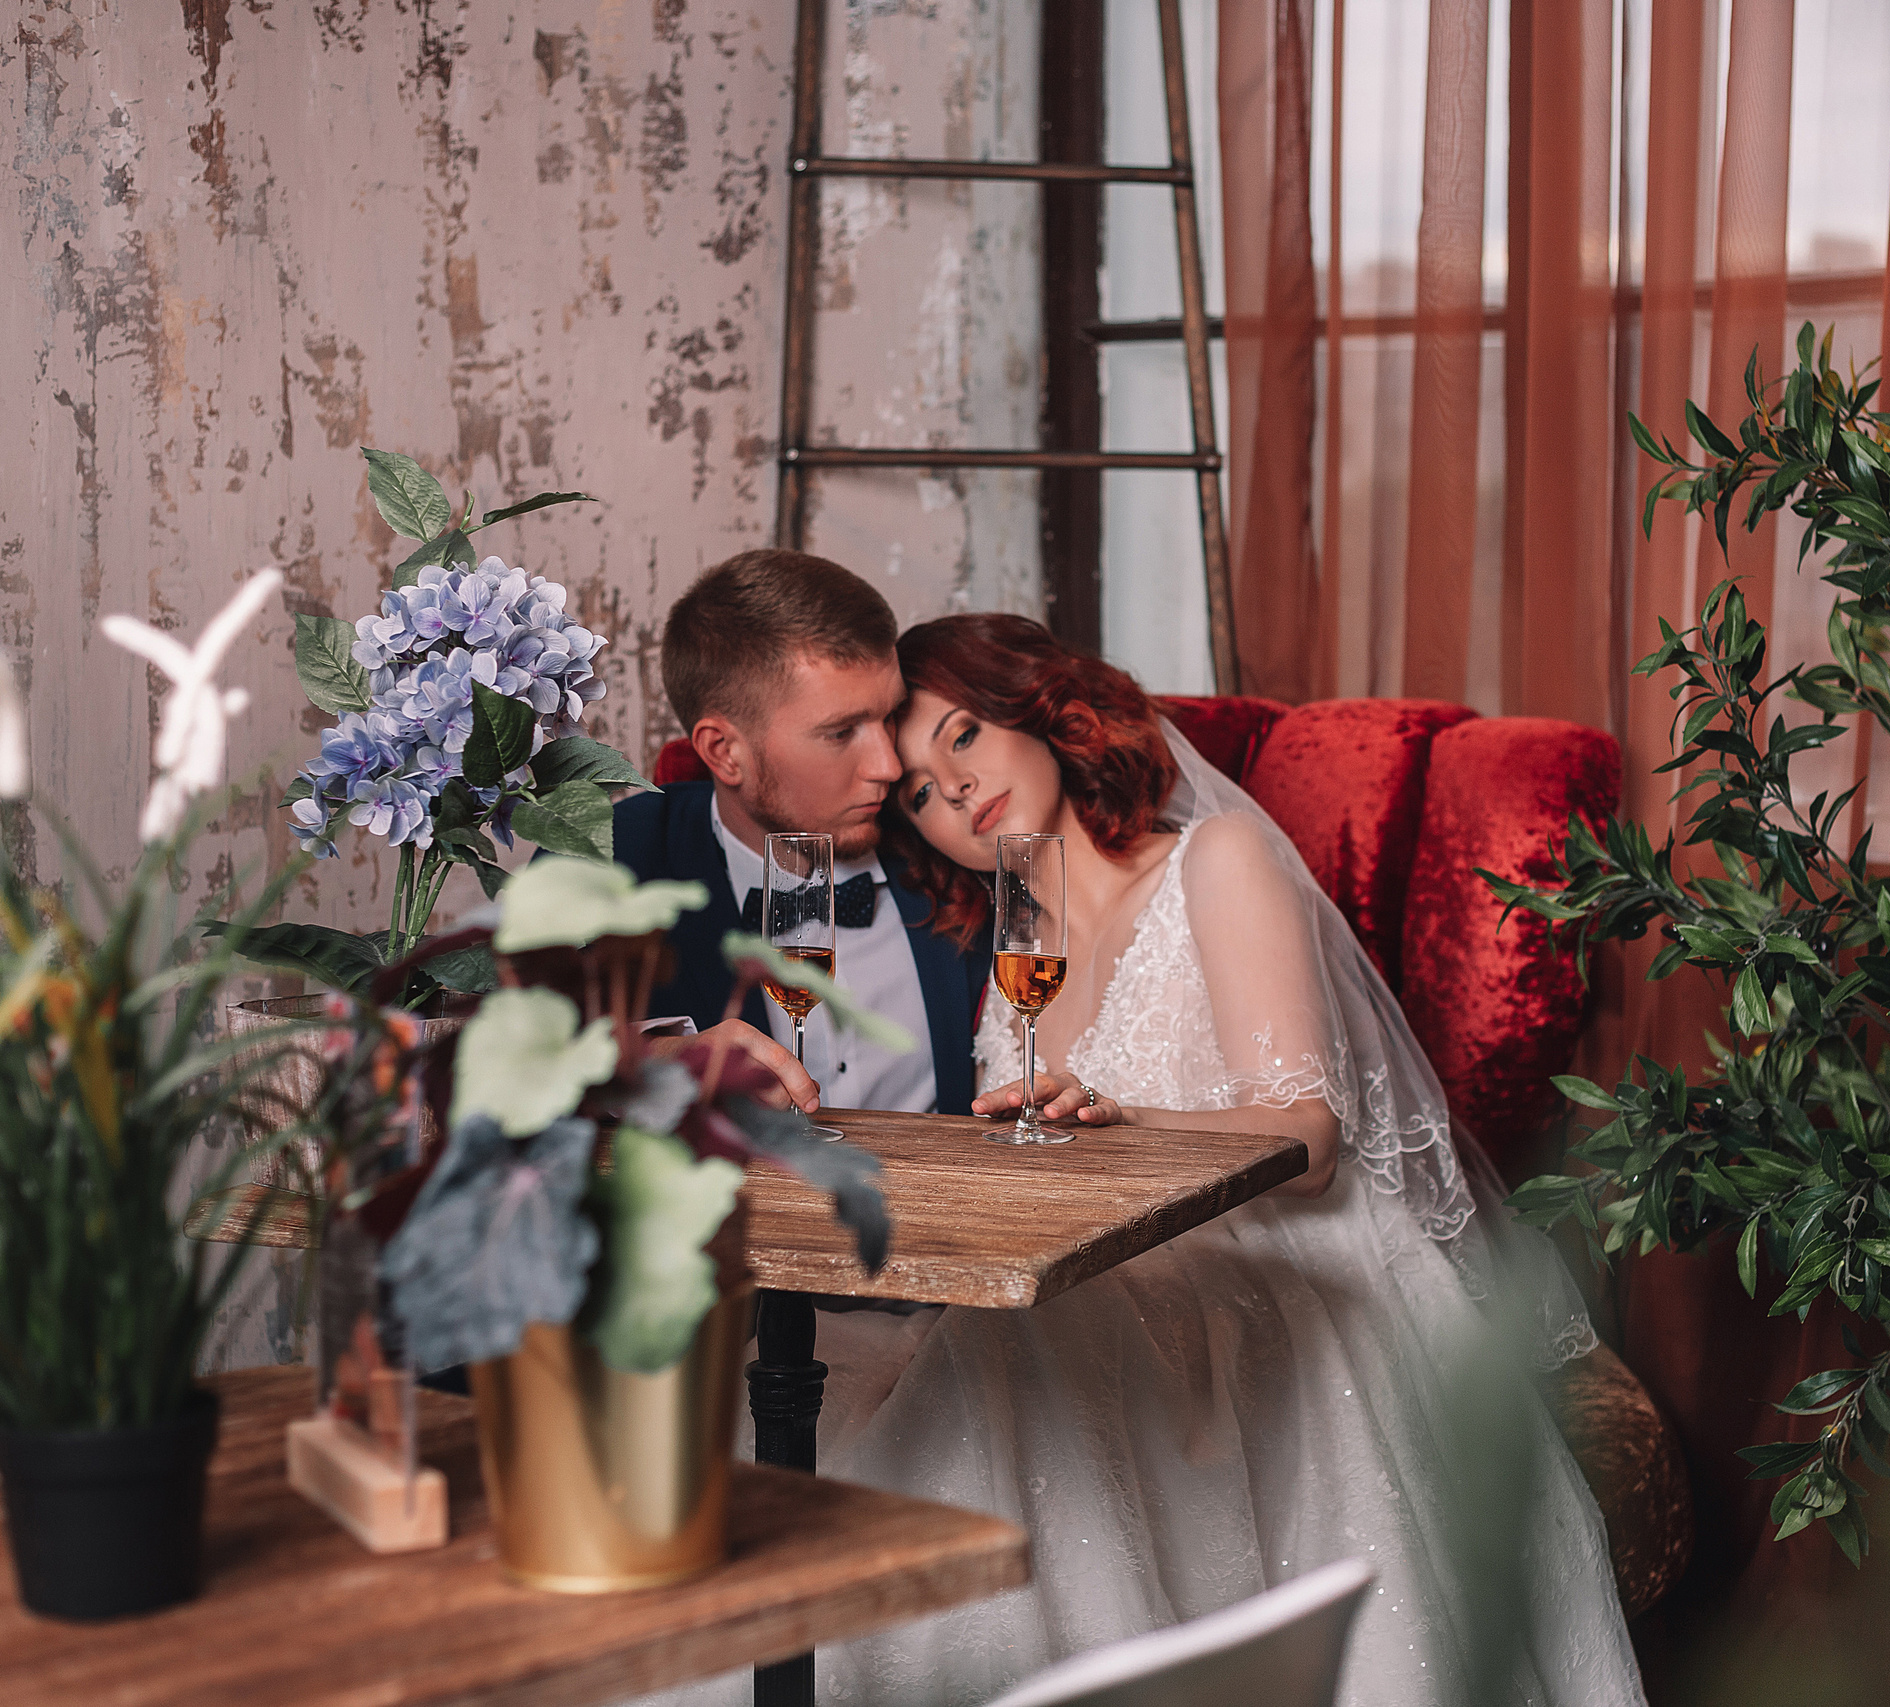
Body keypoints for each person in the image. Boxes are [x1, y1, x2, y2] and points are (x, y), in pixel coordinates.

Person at [676, 613, 1644, 1706]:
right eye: (913, 791)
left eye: (964, 735)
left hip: (1284, 1269)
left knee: (1015, 1360)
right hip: (1101, 1274)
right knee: (772, 1400)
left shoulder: (1213, 862)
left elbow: (1310, 1137)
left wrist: (1122, 1120)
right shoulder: (1010, 950)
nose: (949, 790)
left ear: (1046, 715)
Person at [610, 550, 991, 1114]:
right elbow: (496, 1046)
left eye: (889, 716)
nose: (888, 765)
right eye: (841, 733)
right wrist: (654, 1058)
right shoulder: (616, 850)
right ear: (725, 752)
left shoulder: (946, 830)